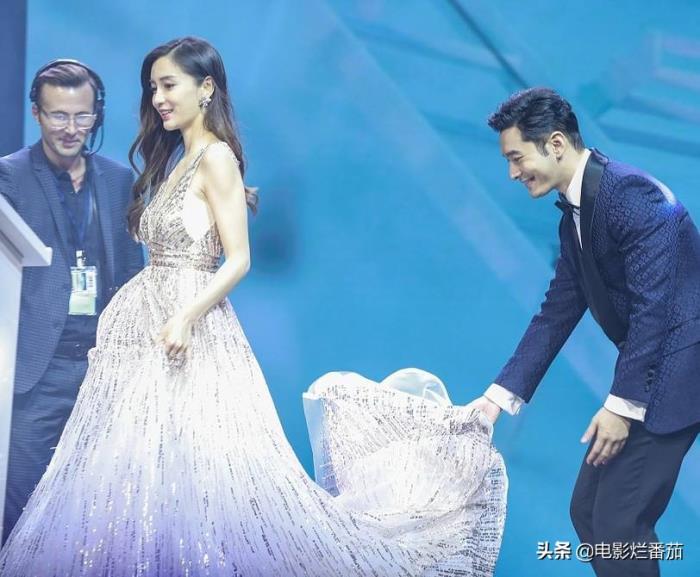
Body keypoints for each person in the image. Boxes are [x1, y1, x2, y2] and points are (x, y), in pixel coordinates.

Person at [0, 37, 506, 576]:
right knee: (140, 474)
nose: (159, 98)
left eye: (168, 85)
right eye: (153, 88)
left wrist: (185, 316)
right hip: (146, 337)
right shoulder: (177, 159)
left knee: (198, 476)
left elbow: (238, 259)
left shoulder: (216, 158)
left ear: (206, 88)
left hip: (188, 336)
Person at [472, 87, 700, 577]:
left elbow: (655, 310)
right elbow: (557, 312)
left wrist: (621, 406)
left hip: (680, 372)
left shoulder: (629, 195)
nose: (512, 173)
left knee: (618, 524)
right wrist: (496, 399)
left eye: (516, 157)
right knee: (589, 513)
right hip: (655, 372)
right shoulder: (578, 211)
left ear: (555, 143)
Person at [0, 59, 144, 541]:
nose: (70, 128)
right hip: (37, 370)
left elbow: (131, 276)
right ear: (36, 113)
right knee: (19, 506)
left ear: (97, 114)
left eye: (82, 116)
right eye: (58, 115)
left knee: (95, 507)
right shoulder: (9, 178)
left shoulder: (117, 180)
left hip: (103, 367)